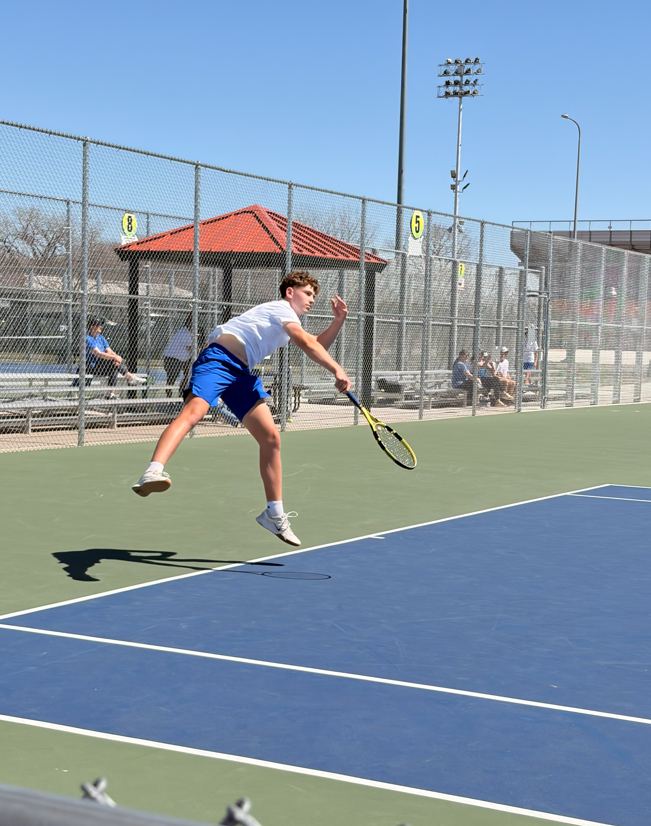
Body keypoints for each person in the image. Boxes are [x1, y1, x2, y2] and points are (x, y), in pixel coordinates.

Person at [131, 271, 350, 547]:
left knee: (271, 438)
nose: (312, 300)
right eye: (308, 293)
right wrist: (336, 369)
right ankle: (153, 471)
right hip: (218, 360)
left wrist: (338, 321)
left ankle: (274, 514)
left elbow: (316, 343)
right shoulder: (281, 309)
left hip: (241, 373)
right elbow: (307, 344)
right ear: (290, 292)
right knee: (195, 412)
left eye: (314, 297)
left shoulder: (286, 324)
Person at [85, 318, 146, 398]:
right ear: (92, 327)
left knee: (114, 366)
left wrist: (117, 357)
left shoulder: (101, 338)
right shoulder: (88, 338)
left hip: (103, 365)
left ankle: (112, 394)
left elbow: (109, 351)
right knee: (113, 363)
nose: (101, 326)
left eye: (101, 325)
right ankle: (130, 377)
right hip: (91, 366)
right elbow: (99, 354)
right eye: (98, 325)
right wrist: (114, 357)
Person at [163, 312, 193, 397]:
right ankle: (169, 396)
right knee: (172, 379)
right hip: (172, 359)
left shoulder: (188, 333)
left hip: (183, 360)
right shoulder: (184, 332)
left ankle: (181, 392)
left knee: (188, 374)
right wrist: (201, 348)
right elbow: (190, 348)